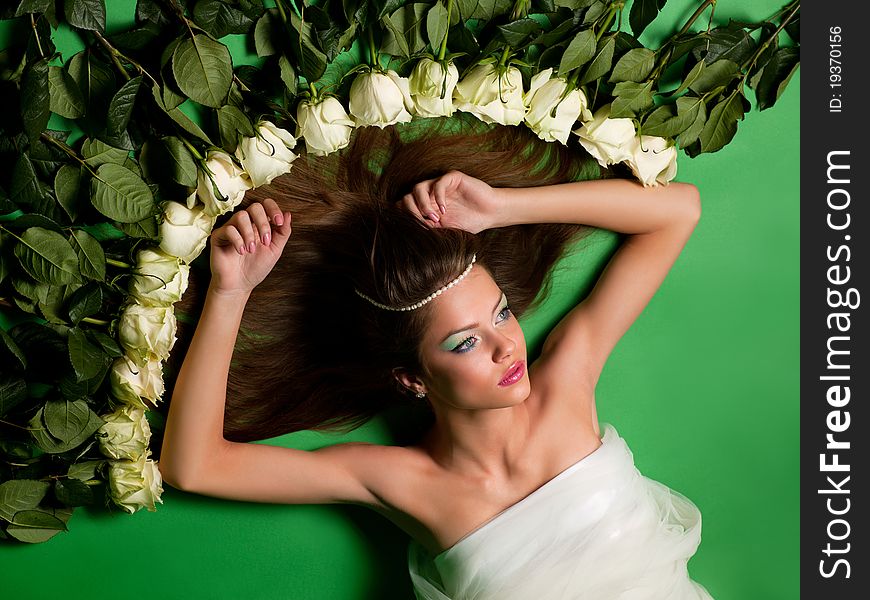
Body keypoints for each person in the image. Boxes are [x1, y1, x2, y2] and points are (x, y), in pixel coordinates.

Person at [159, 118, 713, 599]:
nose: (505, 346)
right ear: (412, 379)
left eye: (500, 313)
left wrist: (500, 209)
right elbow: (193, 465)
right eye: (465, 342)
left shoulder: (568, 381)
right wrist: (229, 294)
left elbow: (677, 212)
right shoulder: (401, 481)